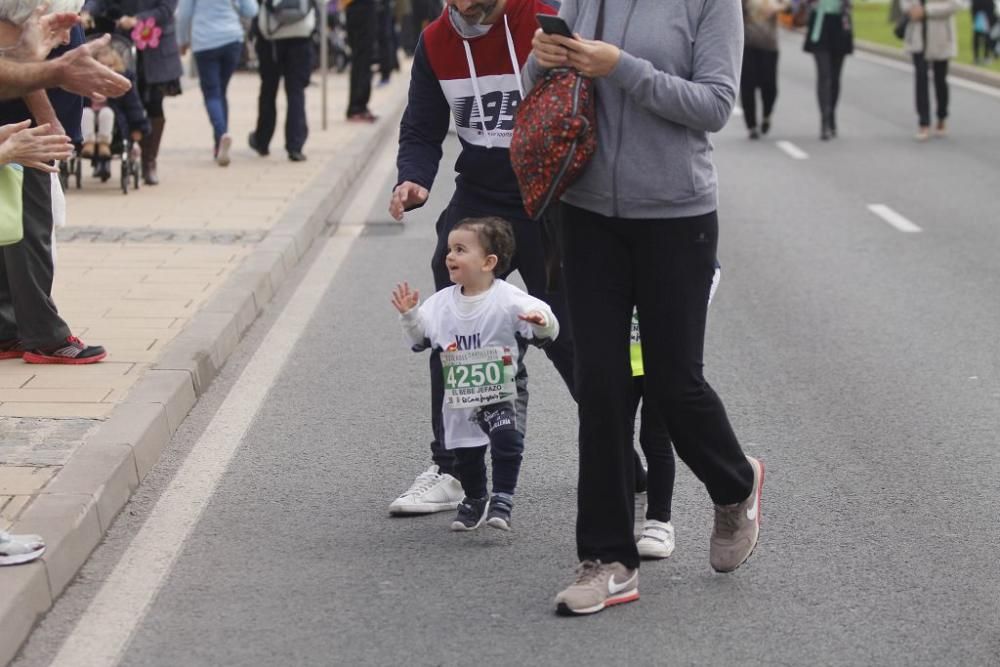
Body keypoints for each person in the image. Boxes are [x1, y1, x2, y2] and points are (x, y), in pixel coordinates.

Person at [527, 0, 764, 616]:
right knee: (601, 387)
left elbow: (714, 105)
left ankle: (736, 484)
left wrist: (621, 67)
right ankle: (608, 559)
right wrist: (541, 61)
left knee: (672, 384)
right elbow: (545, 86)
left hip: (676, 215)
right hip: (585, 214)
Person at [386, 0, 576, 518]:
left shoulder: (546, 16)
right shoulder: (434, 42)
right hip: (480, 195)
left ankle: (613, 450)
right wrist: (414, 177)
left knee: (564, 332)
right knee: (451, 329)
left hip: (547, 194)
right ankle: (451, 468)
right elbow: (422, 129)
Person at [392, 217, 558, 531]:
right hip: (460, 392)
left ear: (488, 262)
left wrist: (540, 321)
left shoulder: (509, 299)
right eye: (449, 249)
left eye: (460, 249)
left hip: (503, 387)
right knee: (464, 451)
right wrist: (410, 317)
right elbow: (419, 339)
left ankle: (503, 499)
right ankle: (475, 498)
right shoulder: (440, 304)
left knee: (507, 439)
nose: (449, 256)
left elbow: (546, 323)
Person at [0, 9, 108, 365]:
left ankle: (8, 329)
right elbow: (14, 46)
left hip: (17, 126)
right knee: (30, 232)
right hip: (25, 128)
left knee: (12, 227)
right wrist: (49, 121)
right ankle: (46, 337)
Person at [630, 265, 721, 560]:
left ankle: (659, 520)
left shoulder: (670, 234)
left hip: (662, 357)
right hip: (616, 356)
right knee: (610, 432)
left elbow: (709, 270)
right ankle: (633, 491)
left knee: (654, 435)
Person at [82, 0, 184, 185]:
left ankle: (149, 161)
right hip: (123, 46)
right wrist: (87, 12)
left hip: (156, 46)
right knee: (115, 100)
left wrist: (138, 19)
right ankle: (112, 153)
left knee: (154, 104)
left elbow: (166, 9)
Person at [176, 0, 257, 166]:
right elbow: (251, 9)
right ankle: (219, 143)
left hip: (205, 41)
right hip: (232, 39)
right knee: (221, 91)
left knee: (212, 94)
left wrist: (182, 40)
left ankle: (221, 135)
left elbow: (183, 15)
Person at [249, 0, 316, 162]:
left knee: (268, 89)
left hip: (271, 35)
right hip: (301, 31)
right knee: (296, 91)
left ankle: (262, 140)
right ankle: (295, 145)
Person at [80, 39, 149, 181]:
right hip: (88, 117)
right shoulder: (85, 80)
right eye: (101, 65)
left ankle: (104, 143)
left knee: (107, 113)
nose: (106, 69)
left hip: (114, 123)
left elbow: (133, 105)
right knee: (85, 113)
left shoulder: (121, 81)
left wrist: (138, 127)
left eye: (110, 65)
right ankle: (88, 143)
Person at [901, 0, 959, 141]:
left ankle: (941, 116)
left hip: (941, 36)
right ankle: (924, 122)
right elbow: (905, 4)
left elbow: (955, 4)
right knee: (921, 78)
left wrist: (927, 10)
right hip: (918, 35)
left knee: (940, 79)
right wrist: (912, 10)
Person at [802, 0, 853, 140]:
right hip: (820, 22)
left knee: (835, 78)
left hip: (840, 22)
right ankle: (824, 121)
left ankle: (831, 115)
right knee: (824, 76)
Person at [741, 0, 784, 140]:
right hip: (748, 45)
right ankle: (751, 125)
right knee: (748, 86)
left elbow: (792, 6)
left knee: (770, 87)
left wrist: (779, 7)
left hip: (770, 46)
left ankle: (767, 115)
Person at [343, 0, 378, 121]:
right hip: (361, 7)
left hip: (356, 7)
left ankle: (358, 105)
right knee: (362, 58)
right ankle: (357, 107)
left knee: (361, 58)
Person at [971, 0, 995, 65]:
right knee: (983, 38)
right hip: (982, 18)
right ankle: (981, 57)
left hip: (982, 17)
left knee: (982, 38)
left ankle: (980, 57)